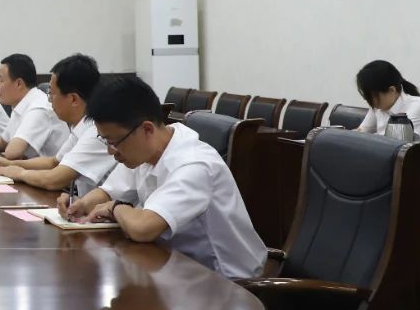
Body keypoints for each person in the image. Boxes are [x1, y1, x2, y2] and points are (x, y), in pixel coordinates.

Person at [61, 76, 266, 279]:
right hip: (176, 267)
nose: (110, 151)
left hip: (225, 282)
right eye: (105, 141)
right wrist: (81, 204)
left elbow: (143, 229)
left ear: (147, 129)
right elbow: (108, 191)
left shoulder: (194, 165)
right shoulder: (146, 149)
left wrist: (115, 208)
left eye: (113, 142)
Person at [0, 54, 115, 197]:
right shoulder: (80, 127)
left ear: (73, 99)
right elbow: (53, 162)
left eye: (51, 93)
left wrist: (19, 173)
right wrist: (7, 164)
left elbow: (54, 179)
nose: (49, 100)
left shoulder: (96, 132)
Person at [0, 53, 68, 160]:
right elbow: (4, 142)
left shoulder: (39, 108)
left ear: (19, 83)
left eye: (1, 80)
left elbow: (12, 152)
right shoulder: (21, 104)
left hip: (51, 169)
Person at [354, 59, 420, 133]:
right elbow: (362, 131)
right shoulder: (377, 107)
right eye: (368, 97)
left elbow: (398, 138)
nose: (371, 102)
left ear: (392, 90)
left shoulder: (416, 107)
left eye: (373, 96)